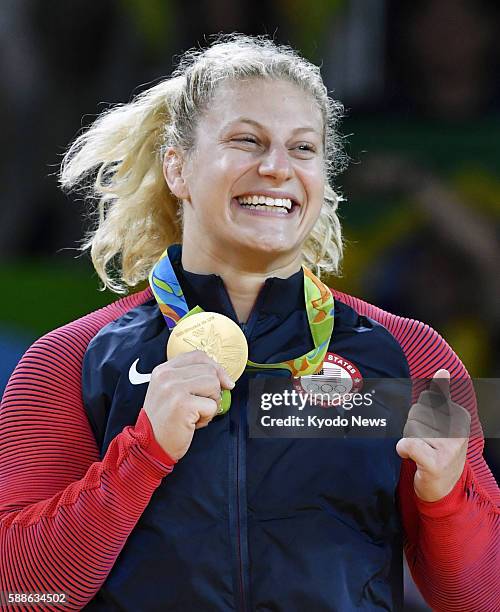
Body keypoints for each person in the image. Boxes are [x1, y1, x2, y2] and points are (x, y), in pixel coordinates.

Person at [0, 34, 498, 611]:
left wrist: (444, 498)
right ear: (178, 168)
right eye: (246, 140)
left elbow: (481, 599)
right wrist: (144, 453)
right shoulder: (71, 359)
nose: (277, 168)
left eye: (303, 148)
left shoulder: (408, 355)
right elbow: (21, 591)